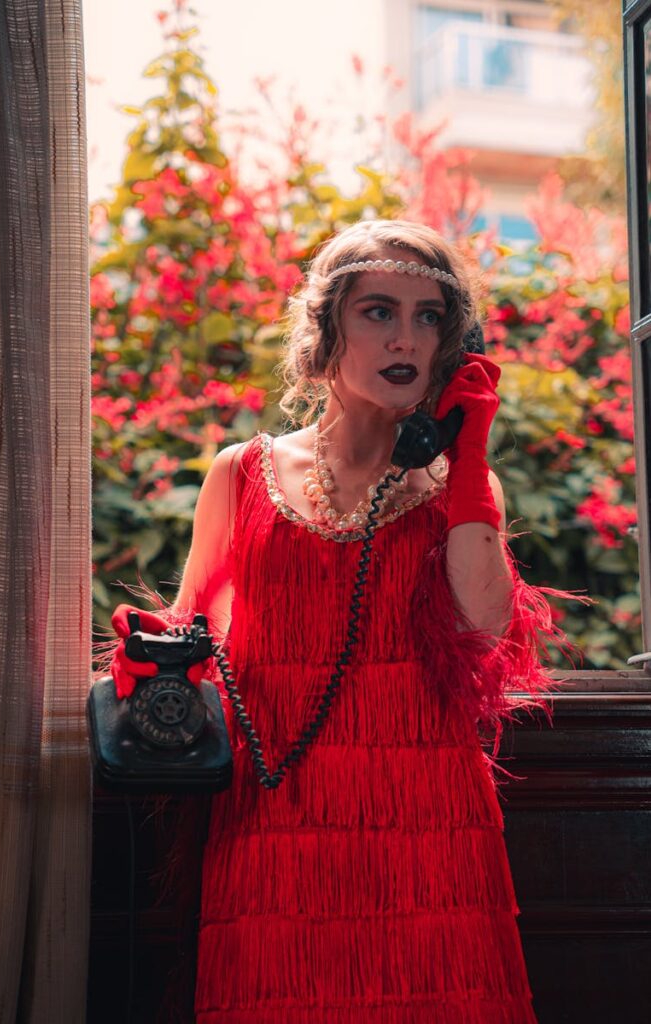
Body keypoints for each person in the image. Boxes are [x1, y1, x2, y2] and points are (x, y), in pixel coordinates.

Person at [109, 219, 578, 1022]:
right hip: (273, 817)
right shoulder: (242, 474)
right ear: (326, 332)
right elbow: (188, 645)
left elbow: (480, 636)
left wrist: (465, 460)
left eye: (429, 316)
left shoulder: (460, 490)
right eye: (377, 311)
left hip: (426, 820)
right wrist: (143, 654)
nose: (406, 336)